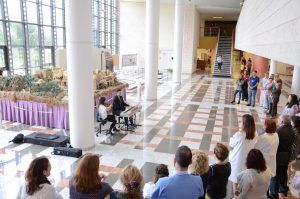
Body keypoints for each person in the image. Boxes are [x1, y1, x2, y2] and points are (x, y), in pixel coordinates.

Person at [229, 114, 256, 196]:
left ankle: (235, 196)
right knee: (244, 179)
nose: (240, 123)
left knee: (235, 180)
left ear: (245, 124)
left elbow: (231, 143)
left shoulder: (239, 134)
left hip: (237, 160)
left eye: (241, 122)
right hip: (248, 160)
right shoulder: (255, 134)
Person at [269, 115, 295, 198]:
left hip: (278, 156)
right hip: (286, 155)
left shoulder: (279, 131)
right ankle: (283, 191)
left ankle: (273, 193)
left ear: (282, 121)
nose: (278, 120)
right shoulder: (291, 130)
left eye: (279, 119)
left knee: (275, 175)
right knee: (283, 174)